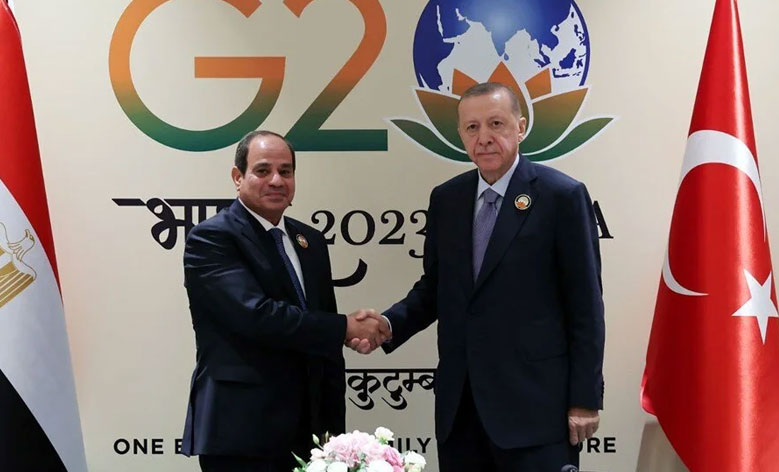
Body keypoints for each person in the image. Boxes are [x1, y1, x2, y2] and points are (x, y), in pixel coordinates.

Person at [352, 82, 605, 471]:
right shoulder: (447, 199)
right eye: (472, 127)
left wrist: (585, 398)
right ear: (460, 134)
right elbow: (436, 288)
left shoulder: (561, 196)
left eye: (496, 124)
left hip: (535, 411)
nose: (484, 137)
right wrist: (388, 324)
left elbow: (585, 305)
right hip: (461, 411)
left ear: (521, 127)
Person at [179, 130, 390, 471]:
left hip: (311, 434)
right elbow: (257, 316)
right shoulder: (212, 238)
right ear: (238, 177)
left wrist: (334, 435)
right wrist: (345, 327)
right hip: (242, 432)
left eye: (286, 171)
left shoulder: (310, 240)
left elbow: (323, 343)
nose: (276, 180)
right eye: (263, 170)